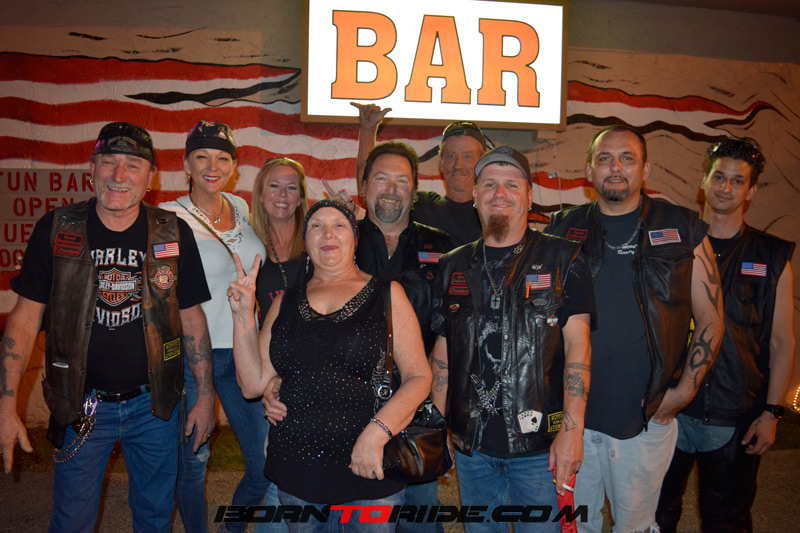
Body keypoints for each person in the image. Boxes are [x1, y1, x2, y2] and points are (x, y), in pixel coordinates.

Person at [0, 122, 214, 531]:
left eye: (133, 165)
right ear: (91, 169)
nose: (119, 175)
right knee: (72, 520)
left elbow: (191, 318)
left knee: (155, 517)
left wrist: (204, 398)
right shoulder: (57, 228)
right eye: (109, 162)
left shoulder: (173, 231)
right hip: (80, 404)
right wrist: (5, 405)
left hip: (155, 407)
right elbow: (24, 320)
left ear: (150, 178)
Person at [545, 125, 725, 533]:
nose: (615, 167)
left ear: (645, 170)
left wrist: (683, 392)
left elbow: (712, 317)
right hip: (573, 420)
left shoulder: (684, 228)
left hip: (645, 417)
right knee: (576, 527)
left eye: (627, 158)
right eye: (605, 158)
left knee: (636, 526)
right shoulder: (561, 230)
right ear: (589, 170)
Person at [229, 199, 432, 531]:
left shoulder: (387, 294)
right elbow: (253, 384)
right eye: (316, 226)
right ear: (306, 243)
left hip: (369, 463)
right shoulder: (284, 302)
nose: (327, 233)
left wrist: (376, 434)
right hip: (297, 466)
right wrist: (242, 318)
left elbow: (419, 377)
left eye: (339, 225)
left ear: (355, 239)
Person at [430, 145, 595, 532]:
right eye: (489, 184)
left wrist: (572, 432)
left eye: (511, 185)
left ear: (529, 195)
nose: (499, 193)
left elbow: (579, 348)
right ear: (474, 195)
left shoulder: (565, 258)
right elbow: (443, 352)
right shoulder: (453, 264)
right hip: (473, 446)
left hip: (539, 447)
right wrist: (437, 426)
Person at [656, 138, 795, 532]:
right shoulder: (670, 247)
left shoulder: (773, 255)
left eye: (738, 181)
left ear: (750, 191)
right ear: (704, 181)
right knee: (654, 515)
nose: (726, 187)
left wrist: (772, 413)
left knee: (727, 521)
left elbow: (783, 341)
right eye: (719, 177)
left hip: (736, 413)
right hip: (668, 408)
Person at [158, 121, 278, 533]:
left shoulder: (241, 207)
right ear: (186, 164)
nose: (213, 166)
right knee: (193, 463)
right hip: (196, 357)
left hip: (245, 353)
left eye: (223, 158)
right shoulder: (167, 217)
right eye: (202, 156)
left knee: (265, 463)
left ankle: (232, 527)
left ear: (234, 166)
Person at [355, 141, 451, 531]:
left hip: (418, 405)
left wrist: (438, 417)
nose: (392, 189)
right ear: (364, 185)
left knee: (421, 516)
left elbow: (447, 336)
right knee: (362, 516)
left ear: (414, 189)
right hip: (352, 404)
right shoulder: (339, 240)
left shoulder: (442, 248)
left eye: (402, 180)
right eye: (382, 178)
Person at [354, 103, 486, 246]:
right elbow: (368, 186)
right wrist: (368, 130)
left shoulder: (493, 210)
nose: (458, 165)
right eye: (451, 156)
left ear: (482, 163)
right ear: (441, 163)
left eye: (467, 156)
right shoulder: (421, 205)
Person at [250, 156, 310, 315]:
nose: (282, 194)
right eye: (274, 186)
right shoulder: (250, 248)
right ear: (261, 195)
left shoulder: (316, 242)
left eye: (291, 188)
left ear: (300, 199)